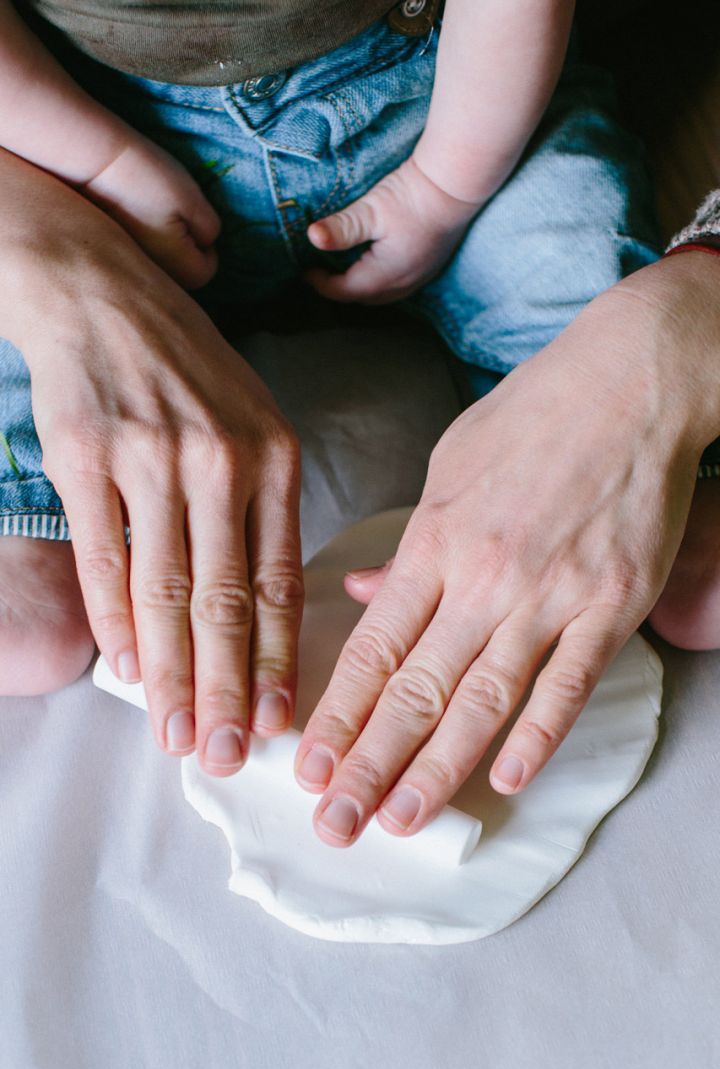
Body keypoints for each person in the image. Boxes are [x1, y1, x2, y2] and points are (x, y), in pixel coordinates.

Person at [0, 0, 715, 849]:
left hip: (448, 102)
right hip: (76, 137)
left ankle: (682, 462)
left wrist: (446, 185)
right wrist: (99, 161)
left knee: (564, 241)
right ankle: (26, 509)